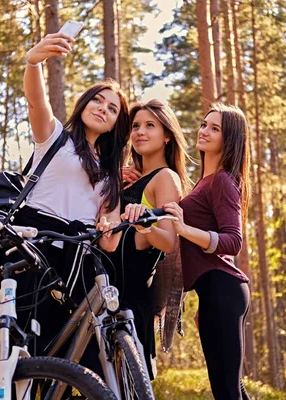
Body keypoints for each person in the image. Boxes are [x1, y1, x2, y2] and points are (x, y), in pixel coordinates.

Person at [15, 32, 129, 357]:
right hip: (34, 247)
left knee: (66, 353)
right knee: (25, 344)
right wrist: (33, 61)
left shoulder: (110, 175)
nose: (102, 109)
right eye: (97, 100)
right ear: (84, 103)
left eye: (112, 109)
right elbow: (37, 101)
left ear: (114, 126)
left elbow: (110, 239)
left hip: (76, 260)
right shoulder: (54, 138)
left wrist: (107, 229)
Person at [163, 103, 252, 400]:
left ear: (230, 140)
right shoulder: (205, 182)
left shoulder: (223, 182)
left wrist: (184, 229)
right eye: (204, 124)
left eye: (215, 129)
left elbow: (233, 241)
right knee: (231, 389)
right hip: (214, 293)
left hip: (223, 290)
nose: (204, 131)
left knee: (227, 391)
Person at [109, 99, 191, 379]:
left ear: (167, 135)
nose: (140, 132)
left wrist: (143, 225)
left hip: (130, 295)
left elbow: (169, 241)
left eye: (150, 126)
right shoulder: (130, 179)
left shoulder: (165, 177)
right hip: (104, 291)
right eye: (135, 126)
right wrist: (112, 182)